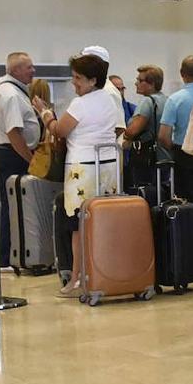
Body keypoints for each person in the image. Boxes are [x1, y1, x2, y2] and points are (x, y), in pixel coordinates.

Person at [33, 54, 123, 299]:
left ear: (92, 80)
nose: (74, 83)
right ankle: (106, 272)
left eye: (77, 79)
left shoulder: (80, 104)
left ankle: (77, 277)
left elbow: (59, 130)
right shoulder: (109, 99)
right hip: (108, 167)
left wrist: (45, 114)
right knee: (104, 220)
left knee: (78, 224)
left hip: (81, 168)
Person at [0, 51, 40, 269]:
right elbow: (14, 133)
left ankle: (12, 254)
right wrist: (31, 160)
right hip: (13, 154)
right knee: (12, 206)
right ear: (16, 70)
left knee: (13, 205)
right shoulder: (10, 94)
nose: (33, 71)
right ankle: (6, 257)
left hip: (11, 153)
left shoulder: (9, 90)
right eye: (29, 67)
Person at [160, 55, 193, 222]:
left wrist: (175, 149)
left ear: (182, 73)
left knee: (187, 202)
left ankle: (190, 239)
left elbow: (163, 135)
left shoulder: (175, 99)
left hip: (184, 155)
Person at [122, 65, 168, 191]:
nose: (136, 83)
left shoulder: (147, 102)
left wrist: (125, 134)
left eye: (140, 80)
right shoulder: (166, 100)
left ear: (151, 83)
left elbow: (133, 131)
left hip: (147, 160)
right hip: (164, 157)